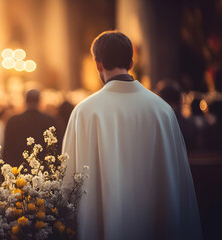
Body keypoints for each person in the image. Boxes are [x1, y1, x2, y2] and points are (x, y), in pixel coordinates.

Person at [62, 31, 202, 240]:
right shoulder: (161, 110)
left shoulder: (85, 112)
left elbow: (69, 182)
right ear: (131, 61)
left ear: (98, 64)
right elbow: (177, 176)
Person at [3, 89, 59, 167]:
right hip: (44, 170)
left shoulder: (13, 121)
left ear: (25, 101)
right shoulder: (50, 121)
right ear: (40, 101)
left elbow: (7, 150)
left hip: (18, 169)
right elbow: (57, 147)